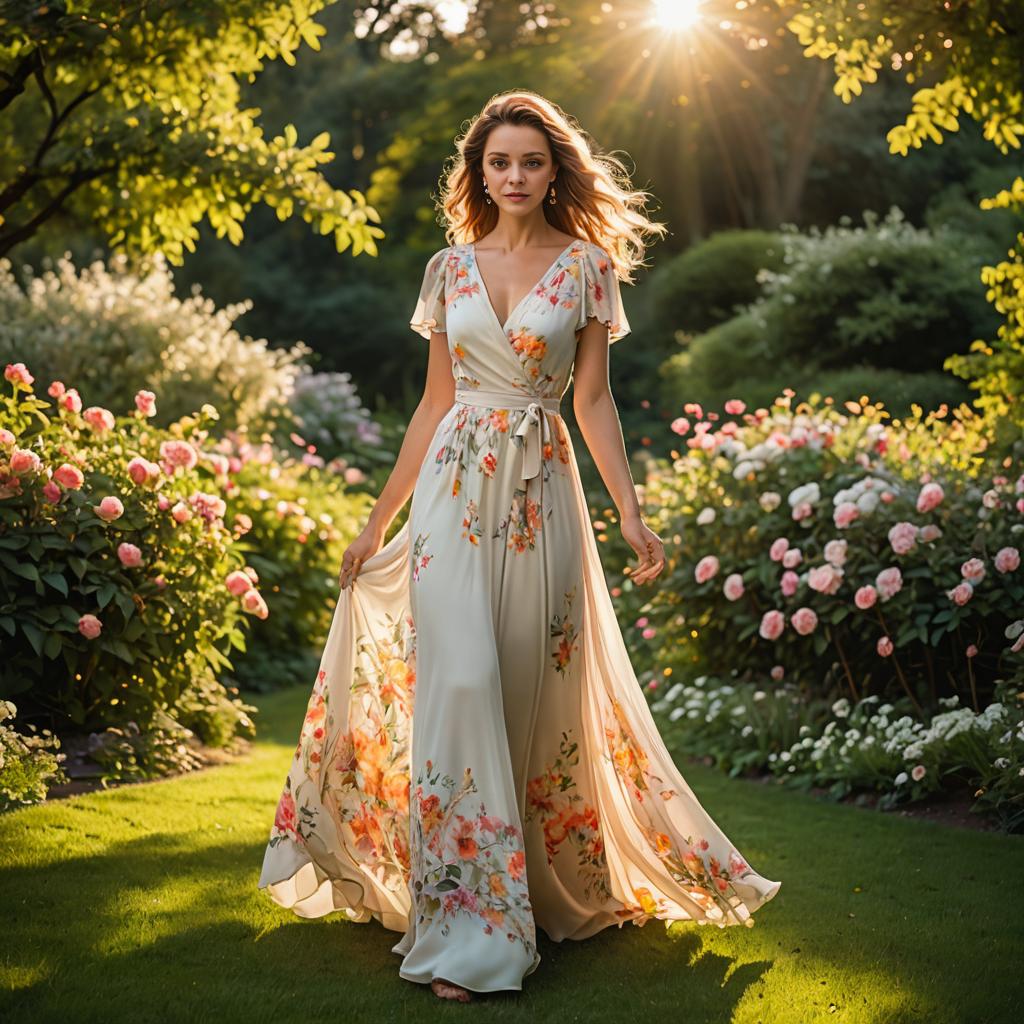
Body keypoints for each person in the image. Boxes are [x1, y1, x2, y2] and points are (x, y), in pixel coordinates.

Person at [257, 89, 781, 1003]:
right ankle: (468, 927)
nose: (514, 176)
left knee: (529, 699)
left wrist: (629, 510)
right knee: (457, 685)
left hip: (543, 497)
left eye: (530, 162)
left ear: (553, 172)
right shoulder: (448, 270)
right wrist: (378, 519)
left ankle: (534, 895)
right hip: (452, 499)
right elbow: (432, 404)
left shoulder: (586, 268)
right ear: (479, 172)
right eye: (499, 162)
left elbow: (593, 402)